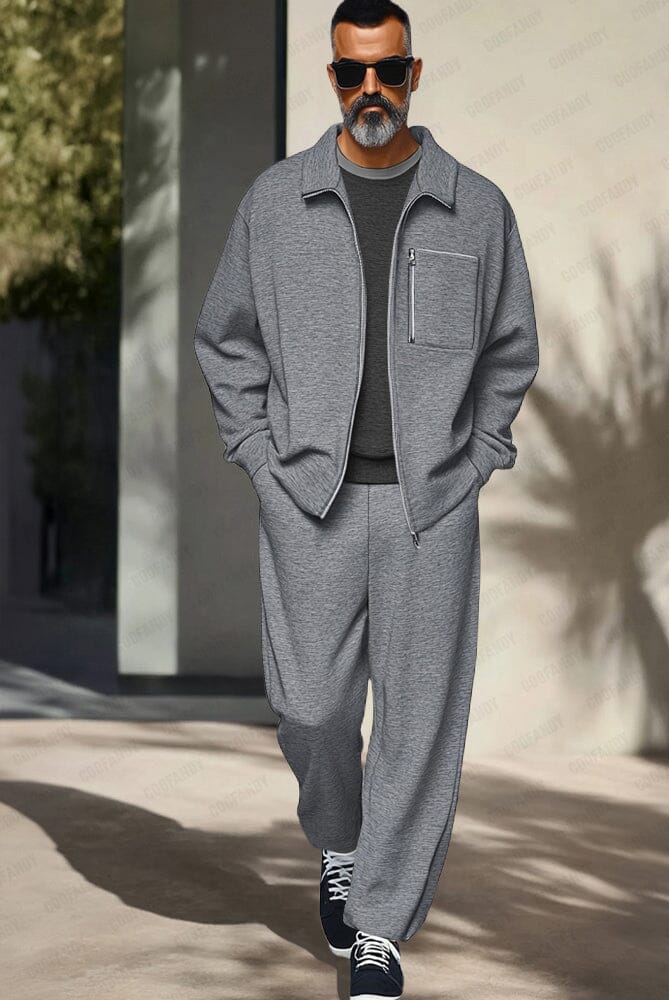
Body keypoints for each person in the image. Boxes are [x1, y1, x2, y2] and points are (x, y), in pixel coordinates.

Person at [194, 1, 539, 996]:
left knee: (419, 722)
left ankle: (380, 929)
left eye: (388, 71)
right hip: (312, 502)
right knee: (310, 707)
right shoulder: (276, 204)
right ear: (334, 78)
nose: (371, 91)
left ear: (414, 73)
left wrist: (475, 461)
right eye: (353, 73)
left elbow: (511, 350)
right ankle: (339, 842)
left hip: (431, 510)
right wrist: (260, 458)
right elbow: (226, 342)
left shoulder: (477, 209)